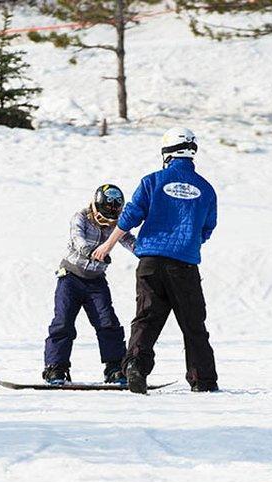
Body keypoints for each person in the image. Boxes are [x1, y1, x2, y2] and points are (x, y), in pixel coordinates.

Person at [90, 127, 219, 394]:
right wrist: (187, 244)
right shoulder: (206, 190)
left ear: (167, 153)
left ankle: (136, 368)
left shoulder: (152, 181)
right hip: (184, 267)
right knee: (193, 325)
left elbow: (129, 217)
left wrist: (108, 244)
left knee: (146, 319)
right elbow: (207, 228)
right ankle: (203, 380)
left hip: (150, 263)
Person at [42, 184, 135, 385]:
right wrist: (93, 252)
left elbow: (128, 240)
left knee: (107, 322)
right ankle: (55, 368)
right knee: (63, 322)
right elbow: (78, 240)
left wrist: (148, 252)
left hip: (96, 282)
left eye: (112, 216)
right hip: (70, 278)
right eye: (104, 215)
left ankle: (115, 368)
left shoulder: (116, 223)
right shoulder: (81, 217)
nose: (108, 221)